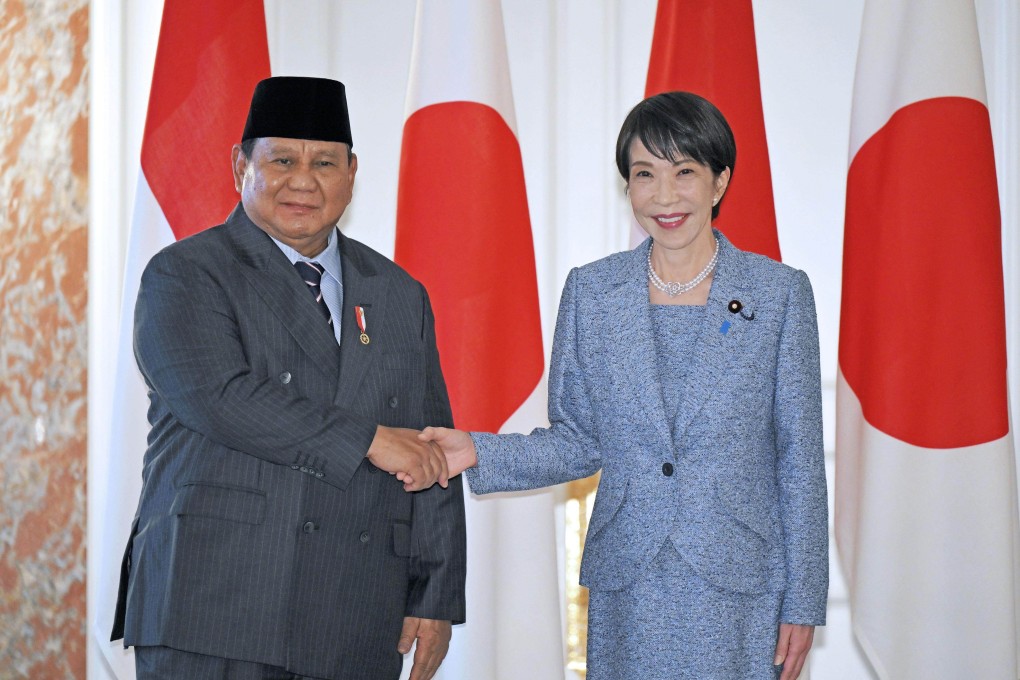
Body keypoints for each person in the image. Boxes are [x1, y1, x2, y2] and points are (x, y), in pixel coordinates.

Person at [419, 91, 827, 679]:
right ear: (627, 186)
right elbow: (579, 441)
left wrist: (803, 600)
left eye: (685, 172)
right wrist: (478, 449)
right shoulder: (592, 293)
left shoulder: (780, 294)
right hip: (629, 581)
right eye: (645, 175)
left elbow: (800, 460)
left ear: (719, 182)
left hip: (741, 583)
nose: (665, 196)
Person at [110, 76, 466, 680]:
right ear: (239, 164)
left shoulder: (400, 294)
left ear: (352, 174)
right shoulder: (187, 274)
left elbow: (430, 443)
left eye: (325, 162)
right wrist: (370, 440)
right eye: (282, 160)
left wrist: (433, 597)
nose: (303, 181)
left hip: (355, 612)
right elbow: (221, 398)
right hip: (219, 606)